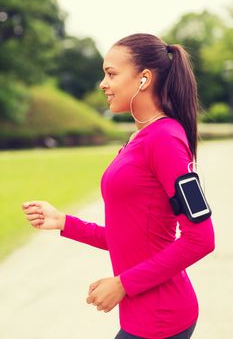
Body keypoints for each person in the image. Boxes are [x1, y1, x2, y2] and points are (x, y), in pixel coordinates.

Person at [22, 33, 215, 339]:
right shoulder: (140, 138)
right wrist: (63, 222)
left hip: (162, 320)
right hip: (141, 318)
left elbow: (201, 239)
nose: (103, 83)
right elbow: (131, 237)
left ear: (144, 79)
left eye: (111, 74)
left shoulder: (165, 139)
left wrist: (123, 284)